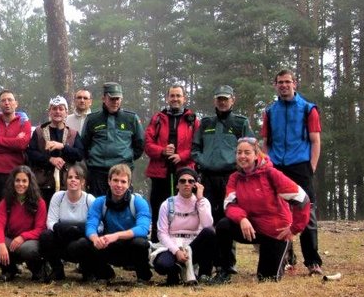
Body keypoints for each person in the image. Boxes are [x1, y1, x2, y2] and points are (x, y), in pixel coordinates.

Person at [215, 138, 310, 281]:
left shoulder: (271, 174)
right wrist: (242, 219)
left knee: (266, 279)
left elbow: (302, 199)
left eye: (247, 152)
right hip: (251, 228)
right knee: (223, 225)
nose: (242, 156)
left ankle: (286, 252)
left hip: (275, 232)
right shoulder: (234, 178)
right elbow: (229, 205)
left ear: (256, 155)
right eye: (239, 152)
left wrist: (294, 229)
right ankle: (225, 270)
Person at [261, 69, 324, 275]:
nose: (284, 85)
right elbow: (266, 142)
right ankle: (286, 258)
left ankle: (312, 260)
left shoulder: (308, 109)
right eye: (280, 82)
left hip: (301, 166)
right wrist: (267, 165)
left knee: (307, 212)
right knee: (279, 213)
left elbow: (315, 141)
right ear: (275, 85)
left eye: (287, 82)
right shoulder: (270, 112)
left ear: (294, 84)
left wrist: (311, 167)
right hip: (277, 167)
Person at [191, 85, 254, 224]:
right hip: (207, 177)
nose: (222, 102)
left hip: (230, 176)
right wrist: (203, 161)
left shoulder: (240, 122)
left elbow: (251, 148)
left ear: (233, 100)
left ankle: (228, 246)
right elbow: (195, 147)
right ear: (215, 101)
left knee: (230, 213)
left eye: (225, 99)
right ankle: (209, 245)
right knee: (206, 214)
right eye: (219, 99)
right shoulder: (206, 123)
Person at [144, 84, 199, 242]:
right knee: (158, 208)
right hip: (160, 171)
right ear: (167, 98)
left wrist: (181, 156)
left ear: (184, 98)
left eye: (178, 96)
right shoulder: (157, 119)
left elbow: (197, 147)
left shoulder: (193, 120)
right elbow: (147, 144)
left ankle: (184, 244)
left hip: (184, 171)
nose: (175, 99)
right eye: (172, 96)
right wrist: (162, 151)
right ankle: (156, 243)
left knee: (184, 209)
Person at [84, 164, 151, 284]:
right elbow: (90, 225)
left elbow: (143, 228)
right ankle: (104, 274)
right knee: (89, 241)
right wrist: (95, 239)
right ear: (109, 181)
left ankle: (143, 276)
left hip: (132, 247)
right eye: (115, 180)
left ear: (129, 184)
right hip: (111, 245)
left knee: (141, 243)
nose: (119, 185)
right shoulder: (99, 202)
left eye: (123, 181)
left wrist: (117, 235)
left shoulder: (139, 202)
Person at [151, 167, 217, 285]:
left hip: (193, 244)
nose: (186, 184)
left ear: (195, 185)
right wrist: (176, 251)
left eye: (191, 181)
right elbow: (162, 233)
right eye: (182, 181)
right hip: (173, 244)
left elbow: (207, 224)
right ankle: (175, 272)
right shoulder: (167, 204)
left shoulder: (203, 202)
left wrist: (200, 199)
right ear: (177, 185)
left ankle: (204, 274)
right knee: (162, 265)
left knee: (209, 233)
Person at [0, 165, 47, 282]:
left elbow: (40, 228)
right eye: (17, 180)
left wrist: (23, 237)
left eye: (24, 181)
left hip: (29, 241)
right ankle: (9, 269)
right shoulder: (6, 202)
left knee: (28, 249)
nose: (20, 184)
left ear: (30, 183)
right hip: (11, 241)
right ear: (13, 182)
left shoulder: (39, 202)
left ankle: (38, 270)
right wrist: (1, 244)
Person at [0, 90, 32, 230]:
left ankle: (10, 243)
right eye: (3, 100)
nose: (7, 103)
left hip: (14, 174)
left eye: (10, 100)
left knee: (12, 209)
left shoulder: (23, 123)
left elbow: (22, 144)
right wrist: (12, 144)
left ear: (16, 103)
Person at [82, 83, 145, 196]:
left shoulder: (131, 118)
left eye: (118, 99)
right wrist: (94, 160)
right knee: (98, 205)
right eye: (112, 99)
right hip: (98, 172)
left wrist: (126, 158)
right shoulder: (92, 119)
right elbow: (84, 145)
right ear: (104, 98)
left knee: (123, 207)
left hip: (123, 172)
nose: (115, 102)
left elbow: (139, 145)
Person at [38, 164, 96, 282]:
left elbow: (99, 226)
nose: (73, 180)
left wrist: (79, 229)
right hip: (63, 236)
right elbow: (50, 222)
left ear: (83, 182)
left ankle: (87, 270)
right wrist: (63, 229)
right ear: (66, 180)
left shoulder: (89, 200)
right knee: (45, 236)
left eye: (77, 177)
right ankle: (57, 270)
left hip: (81, 239)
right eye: (70, 177)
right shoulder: (58, 197)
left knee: (85, 243)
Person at [27, 95, 84, 205]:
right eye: (54, 108)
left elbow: (80, 154)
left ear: (66, 112)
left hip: (66, 183)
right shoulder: (39, 132)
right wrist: (50, 159)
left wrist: (63, 146)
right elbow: (30, 153)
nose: (57, 112)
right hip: (43, 184)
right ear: (49, 112)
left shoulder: (73, 133)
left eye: (61, 109)